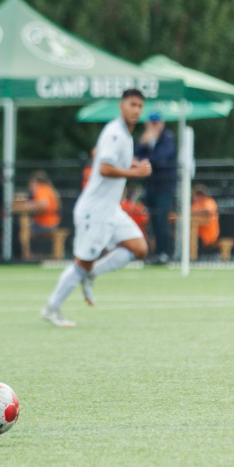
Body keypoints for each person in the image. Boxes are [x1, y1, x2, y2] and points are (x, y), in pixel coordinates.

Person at [41, 89, 151, 328]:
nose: (136, 110)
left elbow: (98, 154)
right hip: (95, 211)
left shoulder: (124, 134)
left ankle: (92, 273)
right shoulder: (115, 133)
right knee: (82, 262)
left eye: (140, 106)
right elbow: (104, 168)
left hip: (111, 209)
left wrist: (129, 163)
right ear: (121, 106)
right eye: (132, 104)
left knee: (139, 248)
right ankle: (52, 308)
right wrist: (136, 172)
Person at [135, 112, 177, 263]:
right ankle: (155, 253)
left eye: (157, 122)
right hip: (150, 186)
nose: (154, 126)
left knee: (161, 220)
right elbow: (135, 157)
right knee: (152, 220)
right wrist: (143, 144)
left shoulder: (167, 138)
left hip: (164, 187)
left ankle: (164, 253)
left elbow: (161, 159)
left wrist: (144, 161)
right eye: (151, 123)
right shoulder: (145, 139)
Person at [16, 171, 60, 258]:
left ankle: (26, 255)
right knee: (26, 222)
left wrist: (28, 205)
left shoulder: (42, 189)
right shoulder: (50, 189)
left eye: (31, 183)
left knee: (24, 227)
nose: (30, 185)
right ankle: (27, 254)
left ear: (36, 182)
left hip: (46, 224)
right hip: (51, 223)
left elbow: (43, 205)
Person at [191, 184, 220, 250]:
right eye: (197, 194)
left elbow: (208, 211)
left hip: (209, 234)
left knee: (194, 238)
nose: (199, 197)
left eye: (200, 194)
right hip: (197, 233)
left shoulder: (209, 202)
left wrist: (196, 213)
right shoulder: (194, 205)